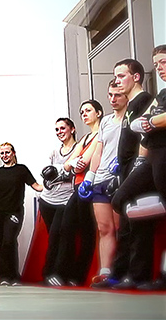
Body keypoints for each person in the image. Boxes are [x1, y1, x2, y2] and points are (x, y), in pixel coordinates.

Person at [109, 46, 166, 290]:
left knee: (137, 215)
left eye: (163, 62)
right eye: (157, 64)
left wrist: (151, 122)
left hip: (158, 154)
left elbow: (149, 126)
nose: (160, 68)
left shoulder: (145, 99)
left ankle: (143, 274)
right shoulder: (160, 95)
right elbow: (143, 132)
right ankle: (132, 274)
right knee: (123, 203)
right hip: (148, 158)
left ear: (136, 77)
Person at [50, 101, 102, 286]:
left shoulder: (100, 134)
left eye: (88, 110)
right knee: (68, 228)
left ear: (99, 112)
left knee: (87, 233)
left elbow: (84, 160)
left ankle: (76, 277)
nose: (84, 114)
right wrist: (73, 163)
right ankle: (64, 274)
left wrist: (75, 163)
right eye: (82, 112)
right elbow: (67, 164)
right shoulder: (85, 138)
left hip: (91, 186)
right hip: (78, 187)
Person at [83, 81, 128, 287]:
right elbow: (99, 151)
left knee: (120, 226)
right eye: (110, 95)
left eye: (117, 95)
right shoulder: (107, 122)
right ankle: (105, 270)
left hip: (120, 177)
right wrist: (89, 177)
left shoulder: (131, 118)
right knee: (104, 228)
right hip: (101, 179)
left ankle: (121, 271)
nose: (112, 99)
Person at [0, 143, 43, 285]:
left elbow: (37, 186)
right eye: (2, 153)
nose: (4, 155)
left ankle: (14, 276)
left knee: (9, 241)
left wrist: (52, 184)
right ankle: (3, 277)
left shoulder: (21, 170)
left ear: (13, 153)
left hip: (14, 211)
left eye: (7, 152)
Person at [39, 117, 77, 285]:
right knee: (53, 237)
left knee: (61, 236)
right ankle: (50, 274)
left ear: (72, 129)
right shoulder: (55, 153)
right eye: (57, 129)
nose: (60, 132)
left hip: (66, 200)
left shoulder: (78, 149)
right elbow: (47, 180)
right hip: (47, 201)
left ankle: (55, 273)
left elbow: (76, 171)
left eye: (63, 128)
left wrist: (61, 173)